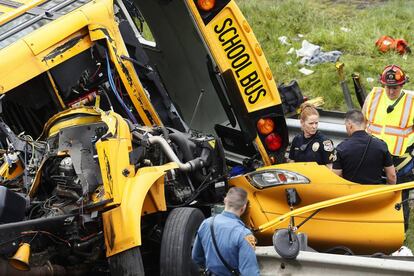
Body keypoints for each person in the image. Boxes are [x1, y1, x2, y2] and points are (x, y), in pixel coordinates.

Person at [362, 64, 414, 229]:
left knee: (399, 198)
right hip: (372, 156)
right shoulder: (374, 96)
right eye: (388, 87)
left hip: (400, 160)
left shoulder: (411, 103)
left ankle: (400, 230)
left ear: (402, 85)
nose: (391, 91)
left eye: (395, 88)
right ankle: (370, 227)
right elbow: (363, 122)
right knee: (371, 196)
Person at [192, 187, 259, 276]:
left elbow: (196, 257)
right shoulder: (244, 234)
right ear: (243, 208)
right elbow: (250, 272)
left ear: (225, 201)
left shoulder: (206, 223)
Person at [332, 109, 396, 184]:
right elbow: (392, 176)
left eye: (345, 125)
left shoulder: (342, 148)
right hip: (375, 193)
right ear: (364, 124)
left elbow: (336, 176)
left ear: (350, 125)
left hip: (353, 194)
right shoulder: (381, 145)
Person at [288, 102, 336, 168]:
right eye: (311, 123)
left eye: (316, 123)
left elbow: (330, 168)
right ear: (302, 122)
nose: (314, 126)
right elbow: (291, 161)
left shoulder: (324, 142)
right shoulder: (297, 139)